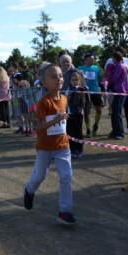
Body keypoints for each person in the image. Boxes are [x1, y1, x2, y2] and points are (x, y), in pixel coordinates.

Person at [23, 63, 77, 225]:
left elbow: (62, 122)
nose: (58, 79)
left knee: (66, 177)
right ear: (44, 82)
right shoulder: (43, 103)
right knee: (40, 175)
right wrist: (56, 120)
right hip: (45, 147)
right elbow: (38, 128)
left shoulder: (64, 98)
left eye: (60, 76)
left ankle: (64, 211)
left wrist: (63, 121)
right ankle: (29, 190)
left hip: (62, 146)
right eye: (53, 77)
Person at [104, 46, 128, 134]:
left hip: (125, 88)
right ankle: (116, 129)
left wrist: (125, 69)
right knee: (116, 110)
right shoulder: (109, 61)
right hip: (115, 89)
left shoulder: (127, 61)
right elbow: (106, 73)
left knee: (127, 110)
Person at [78, 52, 103, 137]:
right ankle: (88, 130)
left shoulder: (96, 68)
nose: (92, 61)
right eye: (90, 59)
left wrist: (104, 74)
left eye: (93, 59)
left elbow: (100, 78)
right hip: (85, 92)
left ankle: (95, 125)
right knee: (87, 111)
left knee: (99, 110)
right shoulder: (80, 68)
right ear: (85, 60)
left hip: (95, 91)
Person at [65, 71, 86, 158]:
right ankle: (72, 149)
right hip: (70, 113)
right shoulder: (68, 89)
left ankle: (79, 150)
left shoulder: (82, 89)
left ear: (80, 80)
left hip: (79, 113)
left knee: (78, 132)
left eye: (76, 80)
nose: (75, 81)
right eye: (73, 80)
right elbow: (65, 100)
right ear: (70, 81)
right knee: (70, 132)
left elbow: (84, 101)